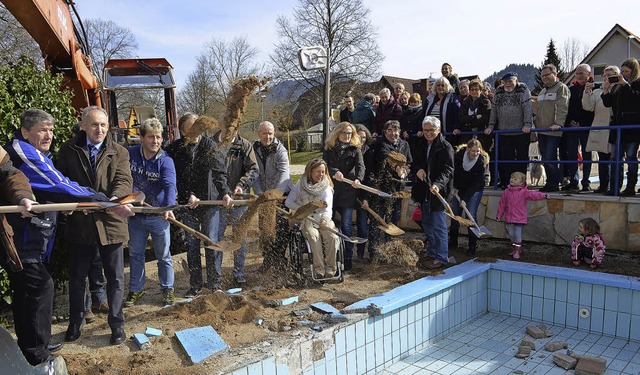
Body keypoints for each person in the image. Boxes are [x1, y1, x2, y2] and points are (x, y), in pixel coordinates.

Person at [2, 109, 98, 364]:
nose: (49, 135)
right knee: (41, 286)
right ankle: (37, 353)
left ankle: (31, 347)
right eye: (42, 130)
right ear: (25, 132)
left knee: (25, 291)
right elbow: (56, 184)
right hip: (19, 240)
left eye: (51, 130)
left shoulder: (34, 154)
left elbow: (23, 181)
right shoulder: (24, 151)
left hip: (33, 239)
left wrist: (69, 201)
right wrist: (98, 199)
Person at [57, 106, 134, 345]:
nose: (98, 129)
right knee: (78, 277)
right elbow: (61, 181)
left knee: (116, 279)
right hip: (80, 225)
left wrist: (115, 200)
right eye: (93, 124)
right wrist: (70, 203)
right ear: (83, 126)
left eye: (102, 125)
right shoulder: (69, 151)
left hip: (111, 223)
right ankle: (75, 323)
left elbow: (123, 179)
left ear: (108, 127)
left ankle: (117, 324)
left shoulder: (119, 151)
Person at [165, 113, 231, 294]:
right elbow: (174, 177)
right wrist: (188, 195)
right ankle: (195, 286)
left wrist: (225, 193)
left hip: (209, 202)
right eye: (192, 126)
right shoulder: (174, 150)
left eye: (199, 125)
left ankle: (215, 285)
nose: (197, 129)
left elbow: (219, 172)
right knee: (192, 245)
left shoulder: (209, 146)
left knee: (212, 242)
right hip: (188, 205)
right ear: (183, 130)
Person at [125, 118, 177, 307]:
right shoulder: (130, 155)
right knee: (136, 253)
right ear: (141, 138)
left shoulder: (165, 161)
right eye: (151, 137)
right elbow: (123, 178)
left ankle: (167, 288)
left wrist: (169, 208)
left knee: (163, 255)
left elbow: (170, 186)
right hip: (136, 215)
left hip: (158, 215)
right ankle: (136, 289)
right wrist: (127, 197)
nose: (155, 141)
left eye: (158, 137)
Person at [210, 124, 258, 286]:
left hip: (239, 200)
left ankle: (239, 273)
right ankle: (216, 277)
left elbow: (253, 169)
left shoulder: (244, 145)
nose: (230, 134)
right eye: (227, 130)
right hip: (217, 200)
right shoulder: (211, 145)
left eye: (233, 130)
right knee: (216, 238)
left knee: (239, 237)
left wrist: (242, 185)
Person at [411, 116, 454, 269]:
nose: (428, 133)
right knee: (427, 223)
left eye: (431, 130)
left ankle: (442, 257)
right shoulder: (420, 144)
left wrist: (438, 184)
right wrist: (418, 170)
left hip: (437, 192)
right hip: (424, 191)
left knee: (439, 225)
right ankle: (432, 251)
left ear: (438, 130)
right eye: (425, 130)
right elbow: (414, 162)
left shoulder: (445, 146)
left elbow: (448, 170)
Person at [364, 120, 412, 258]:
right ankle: (374, 252)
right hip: (380, 187)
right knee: (376, 220)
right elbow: (387, 157)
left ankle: (389, 251)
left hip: (397, 189)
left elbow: (409, 162)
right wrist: (397, 167)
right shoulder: (380, 145)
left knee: (393, 220)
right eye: (390, 130)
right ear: (385, 132)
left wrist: (404, 170)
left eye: (396, 130)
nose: (393, 133)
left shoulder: (404, 144)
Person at [285, 159, 340, 278]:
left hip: (323, 218)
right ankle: (319, 269)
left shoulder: (327, 187)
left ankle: (331, 268)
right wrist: (304, 209)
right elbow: (288, 202)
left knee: (333, 236)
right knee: (314, 237)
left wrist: (325, 220)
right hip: (307, 220)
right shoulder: (300, 184)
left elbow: (328, 208)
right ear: (310, 172)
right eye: (317, 171)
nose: (320, 175)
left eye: (323, 172)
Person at [323, 122, 364, 271]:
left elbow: (361, 166)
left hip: (348, 191)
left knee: (346, 224)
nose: (347, 136)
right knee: (330, 224)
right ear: (337, 133)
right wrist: (334, 172)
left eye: (350, 134)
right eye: (344, 133)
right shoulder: (329, 148)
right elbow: (324, 165)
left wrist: (358, 179)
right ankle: (332, 255)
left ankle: (347, 256)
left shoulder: (355, 149)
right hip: (331, 191)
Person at [252, 121, 291, 271]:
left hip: (280, 196)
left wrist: (275, 194)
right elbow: (254, 173)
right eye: (265, 133)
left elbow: (284, 173)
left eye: (270, 133)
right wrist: (260, 194)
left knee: (280, 229)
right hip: (264, 197)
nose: (268, 136)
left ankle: (280, 260)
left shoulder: (280, 150)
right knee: (265, 229)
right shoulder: (254, 149)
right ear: (259, 134)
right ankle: (268, 259)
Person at [484, 72, 533, 189]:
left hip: (521, 131)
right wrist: (491, 126)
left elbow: (527, 108)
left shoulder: (523, 89)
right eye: (505, 82)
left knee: (521, 159)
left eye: (510, 81)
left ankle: (521, 183)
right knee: (504, 159)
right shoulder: (499, 91)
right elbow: (494, 110)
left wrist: (527, 124)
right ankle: (506, 181)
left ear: (516, 81)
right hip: (503, 132)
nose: (508, 84)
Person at [601, 58, 640, 196]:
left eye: (626, 71)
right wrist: (606, 91)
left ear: (633, 71)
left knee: (631, 157)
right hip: (617, 127)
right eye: (622, 71)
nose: (624, 74)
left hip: (632, 128)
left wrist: (625, 85)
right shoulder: (618, 86)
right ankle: (614, 187)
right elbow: (608, 104)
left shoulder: (636, 84)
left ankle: (630, 187)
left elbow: (636, 100)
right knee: (615, 158)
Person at [449, 139, 489, 255]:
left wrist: (465, 199)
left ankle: (472, 246)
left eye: (478, 151)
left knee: (470, 215)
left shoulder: (480, 162)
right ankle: (453, 242)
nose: (476, 154)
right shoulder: (458, 157)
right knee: (455, 215)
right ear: (467, 150)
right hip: (460, 188)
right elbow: (454, 174)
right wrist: (454, 187)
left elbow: (475, 183)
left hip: (474, 191)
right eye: (473, 151)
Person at [497, 172, 548, 259]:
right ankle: (515, 247)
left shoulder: (524, 192)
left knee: (517, 233)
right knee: (511, 234)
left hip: (520, 217)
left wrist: (544, 195)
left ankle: (517, 249)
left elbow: (534, 194)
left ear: (521, 183)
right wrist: (499, 214)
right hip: (509, 217)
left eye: (515, 179)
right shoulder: (506, 192)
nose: (512, 180)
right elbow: (502, 204)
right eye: (511, 178)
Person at [582, 66, 617, 194]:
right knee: (603, 160)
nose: (607, 77)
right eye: (605, 75)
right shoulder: (597, 92)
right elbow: (588, 107)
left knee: (616, 159)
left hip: (615, 129)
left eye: (611, 75)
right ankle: (603, 186)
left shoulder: (621, 89)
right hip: (601, 130)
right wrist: (587, 92)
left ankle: (614, 187)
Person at [536, 64, 569, 193]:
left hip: (553, 130)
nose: (544, 78)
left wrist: (559, 124)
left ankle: (554, 183)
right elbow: (539, 111)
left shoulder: (561, 88)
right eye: (542, 76)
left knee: (550, 157)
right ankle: (550, 182)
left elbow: (562, 107)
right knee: (545, 158)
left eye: (547, 75)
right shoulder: (542, 91)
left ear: (554, 74)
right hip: (541, 130)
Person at [562, 64, 595, 192]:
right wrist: (570, 122)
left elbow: (592, 110)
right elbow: (567, 108)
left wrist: (583, 123)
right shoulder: (571, 90)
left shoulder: (594, 88)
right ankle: (574, 181)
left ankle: (586, 182)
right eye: (577, 73)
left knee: (587, 155)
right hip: (572, 128)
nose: (579, 76)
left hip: (586, 128)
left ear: (589, 74)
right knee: (572, 155)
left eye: (582, 73)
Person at [422, 76, 461, 146]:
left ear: (447, 87)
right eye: (438, 85)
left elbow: (457, 114)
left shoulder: (452, 98)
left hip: (447, 135)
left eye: (443, 85)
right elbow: (423, 115)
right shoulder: (430, 99)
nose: (440, 87)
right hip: (431, 135)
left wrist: (456, 127)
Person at [354, 124, 373, 261]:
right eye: (359, 137)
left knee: (362, 223)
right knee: (346, 224)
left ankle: (361, 253)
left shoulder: (369, 152)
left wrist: (365, 197)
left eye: (364, 138)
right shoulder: (350, 150)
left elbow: (369, 176)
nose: (362, 140)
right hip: (348, 192)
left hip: (363, 192)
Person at [460, 79, 492, 152]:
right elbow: (462, 118)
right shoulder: (465, 102)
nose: (474, 91)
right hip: (467, 136)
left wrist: (469, 123)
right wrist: (475, 117)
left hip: (482, 136)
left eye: (476, 89)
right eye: (472, 89)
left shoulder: (486, 102)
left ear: (480, 90)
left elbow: (485, 119)